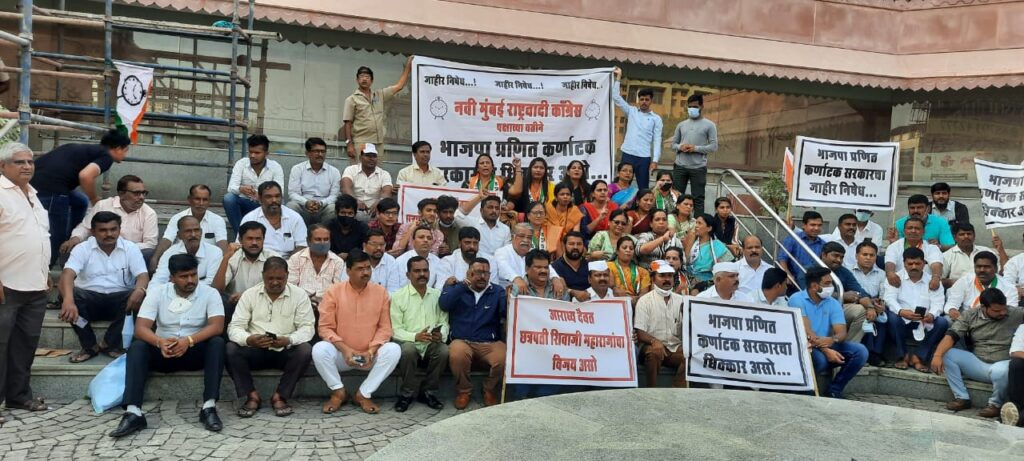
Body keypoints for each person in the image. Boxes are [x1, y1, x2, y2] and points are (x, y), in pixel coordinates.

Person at [110, 254, 225, 437]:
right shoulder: (158, 292)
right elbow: (140, 329)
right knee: (137, 347)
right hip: (164, 351)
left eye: (193, 274)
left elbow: (217, 326)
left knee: (217, 343)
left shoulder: (210, 293)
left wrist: (188, 341)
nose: (190, 280)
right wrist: (160, 342)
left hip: (194, 351)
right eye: (184, 276)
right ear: (172, 278)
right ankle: (133, 412)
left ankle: (209, 407)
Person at [0, 143, 52, 422]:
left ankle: (18, 396)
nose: (27, 166)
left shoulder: (33, 194)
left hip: (35, 285)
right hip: (6, 284)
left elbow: (39, 237)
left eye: (30, 162)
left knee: (25, 345)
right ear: (3, 166)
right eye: (19, 162)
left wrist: (44, 272)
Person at [226, 256, 315, 418]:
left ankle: (280, 396)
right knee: (230, 348)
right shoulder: (250, 294)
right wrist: (249, 339)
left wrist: (289, 340)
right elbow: (235, 327)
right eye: (270, 278)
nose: (275, 282)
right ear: (263, 276)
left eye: (280, 278)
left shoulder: (299, 295)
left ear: (287, 276)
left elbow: (307, 328)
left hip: (284, 351)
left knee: (305, 349)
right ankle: (252, 396)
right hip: (255, 350)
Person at [314, 249, 400, 415]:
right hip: (342, 355)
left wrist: (371, 351)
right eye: (360, 269)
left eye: (368, 268)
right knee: (319, 349)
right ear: (348, 271)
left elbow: (384, 329)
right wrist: (345, 349)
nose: (366, 272)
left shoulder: (380, 292)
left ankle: (364, 394)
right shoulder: (334, 291)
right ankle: (338, 392)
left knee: (394, 350)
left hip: (369, 356)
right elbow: (325, 328)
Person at [59, 212, 149, 363]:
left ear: (119, 229)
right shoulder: (82, 248)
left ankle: (109, 343)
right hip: (88, 303)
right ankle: (89, 346)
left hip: (120, 304)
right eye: (103, 230)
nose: (109, 234)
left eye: (113, 229)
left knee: (142, 295)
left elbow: (142, 275)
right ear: (93, 232)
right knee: (69, 296)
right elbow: (67, 274)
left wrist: (140, 290)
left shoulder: (130, 248)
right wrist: (68, 300)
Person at [31, 129, 130, 266]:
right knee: (56, 237)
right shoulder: (106, 157)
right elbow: (85, 176)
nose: (125, 155)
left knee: (81, 201)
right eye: (125, 150)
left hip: (34, 184)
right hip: (52, 190)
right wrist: (94, 199)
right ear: (118, 148)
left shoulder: (87, 149)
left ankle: (71, 235)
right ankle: (45, 269)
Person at [932, 288, 1022, 418]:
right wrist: (937, 355)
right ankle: (962, 398)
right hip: (978, 362)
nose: (1002, 312)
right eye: (997, 311)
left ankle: (995, 405)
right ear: (984, 307)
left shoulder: (1015, 313)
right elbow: (952, 335)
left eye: (1004, 309)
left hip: (1003, 363)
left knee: (1002, 370)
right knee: (947, 354)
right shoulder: (970, 315)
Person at [789, 266, 867, 399]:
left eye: (831, 283)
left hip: (826, 342)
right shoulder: (796, 299)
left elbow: (841, 332)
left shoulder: (833, 303)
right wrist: (826, 350)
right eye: (827, 283)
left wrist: (833, 340)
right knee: (821, 361)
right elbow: (807, 332)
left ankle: (834, 390)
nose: (831, 287)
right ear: (814, 286)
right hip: (804, 345)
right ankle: (803, 391)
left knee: (860, 351)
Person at [440, 257, 507, 409]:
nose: (482, 276)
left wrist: (509, 297)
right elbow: (443, 304)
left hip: (489, 342)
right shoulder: (458, 288)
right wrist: (461, 287)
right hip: (462, 340)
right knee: (457, 353)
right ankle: (464, 391)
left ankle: (489, 389)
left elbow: (505, 313)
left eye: (486, 273)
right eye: (478, 272)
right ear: (469, 273)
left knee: (504, 356)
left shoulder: (497, 291)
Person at [391, 256, 448, 412]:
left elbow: (444, 322)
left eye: (425, 270)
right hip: (409, 342)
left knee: (443, 350)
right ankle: (406, 394)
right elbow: (395, 330)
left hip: (431, 343)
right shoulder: (398, 297)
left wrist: (441, 334)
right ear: (408, 275)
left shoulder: (437, 295)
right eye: (417, 271)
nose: (422, 274)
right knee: (408, 350)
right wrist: (415, 336)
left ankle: (428, 392)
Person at [883, 248, 949, 373]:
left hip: (924, 322)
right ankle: (902, 355)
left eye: (917, 263)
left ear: (924, 264)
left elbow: (938, 303)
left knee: (942, 322)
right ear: (904, 263)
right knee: (892, 317)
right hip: (901, 322)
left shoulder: (933, 281)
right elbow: (889, 299)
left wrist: (931, 315)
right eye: (910, 263)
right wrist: (901, 311)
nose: (914, 267)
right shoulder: (895, 278)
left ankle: (919, 356)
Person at [64, 174, 159, 262]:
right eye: (136, 193)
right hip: (99, 252)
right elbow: (85, 227)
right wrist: (75, 238)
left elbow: (150, 244)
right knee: (70, 250)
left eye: (143, 193)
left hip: (128, 256)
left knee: (148, 254)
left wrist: (119, 248)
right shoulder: (103, 205)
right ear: (121, 194)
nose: (142, 197)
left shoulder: (149, 213)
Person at [341, 58, 412, 160]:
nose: (364, 79)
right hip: (361, 142)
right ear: (357, 80)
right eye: (361, 77)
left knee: (377, 168)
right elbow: (347, 123)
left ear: (372, 80)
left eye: (367, 77)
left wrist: (408, 67)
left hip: (378, 143)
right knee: (359, 168)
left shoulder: (379, 95)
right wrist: (349, 144)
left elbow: (399, 86)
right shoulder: (351, 99)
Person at [150, 185, 228, 272]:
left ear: (209, 201)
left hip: (208, 262)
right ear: (189, 199)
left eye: (205, 199)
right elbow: (167, 240)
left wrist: (223, 264)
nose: (201, 203)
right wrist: (155, 258)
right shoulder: (177, 218)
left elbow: (222, 244)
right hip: (181, 261)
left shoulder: (217, 220)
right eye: (197, 199)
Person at [634, 260, 685, 388]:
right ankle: (651, 392)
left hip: (674, 347)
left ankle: (677, 391)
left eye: (670, 276)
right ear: (653, 278)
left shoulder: (682, 301)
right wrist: (654, 341)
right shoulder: (644, 301)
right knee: (654, 352)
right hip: (651, 347)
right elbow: (640, 332)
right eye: (662, 276)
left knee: (691, 355)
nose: (667, 279)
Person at [611, 67, 662, 189]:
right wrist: (618, 78)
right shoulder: (631, 111)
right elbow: (616, 97)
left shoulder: (656, 119)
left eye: (647, 99)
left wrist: (655, 160)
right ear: (638, 100)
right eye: (642, 99)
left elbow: (657, 140)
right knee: (622, 184)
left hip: (644, 157)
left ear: (651, 100)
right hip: (628, 153)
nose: (644, 102)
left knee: (643, 187)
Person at [212, 222, 279, 313]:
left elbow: (278, 288)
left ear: (263, 239)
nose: (254, 243)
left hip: (265, 304)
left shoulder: (273, 258)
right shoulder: (232, 257)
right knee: (218, 300)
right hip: (235, 306)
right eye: (249, 239)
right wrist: (226, 257)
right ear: (240, 240)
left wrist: (246, 296)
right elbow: (217, 290)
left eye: (258, 239)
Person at [224, 134, 284, 234]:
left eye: (257, 153)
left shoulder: (275, 167)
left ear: (266, 153)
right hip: (244, 202)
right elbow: (231, 187)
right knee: (229, 198)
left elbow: (280, 191)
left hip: (265, 204)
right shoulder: (241, 163)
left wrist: (260, 195)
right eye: (250, 152)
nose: (252, 155)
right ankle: (240, 235)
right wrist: (241, 189)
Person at [670, 94, 717, 213]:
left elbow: (713, 146)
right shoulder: (681, 124)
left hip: (698, 167)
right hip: (680, 166)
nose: (692, 109)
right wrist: (681, 147)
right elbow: (673, 145)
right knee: (676, 197)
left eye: (695, 107)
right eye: (690, 106)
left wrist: (695, 148)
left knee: (698, 199)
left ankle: (698, 223)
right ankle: (675, 221)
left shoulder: (710, 125)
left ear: (701, 106)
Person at [820, 241, 874, 344]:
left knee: (862, 310)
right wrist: (842, 296)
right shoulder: (811, 269)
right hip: (816, 308)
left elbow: (860, 292)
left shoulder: (843, 271)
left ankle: (849, 346)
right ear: (823, 255)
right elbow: (810, 292)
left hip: (838, 308)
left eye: (841, 257)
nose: (838, 260)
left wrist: (870, 307)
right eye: (835, 256)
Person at [240, 181, 307, 259]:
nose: (274, 200)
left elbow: (302, 246)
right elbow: (241, 246)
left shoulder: (294, 217)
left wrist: (287, 263)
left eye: (277, 196)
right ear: (260, 199)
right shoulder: (250, 218)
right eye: (268, 197)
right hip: (259, 261)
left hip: (289, 262)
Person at [493, 223, 566, 295]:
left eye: (529, 237)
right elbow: (504, 267)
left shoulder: (533, 252)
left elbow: (547, 267)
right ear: (513, 237)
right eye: (521, 236)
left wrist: (555, 278)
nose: (526, 240)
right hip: (507, 293)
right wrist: (516, 279)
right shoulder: (502, 252)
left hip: (532, 293)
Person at [151, 216, 224, 287]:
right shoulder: (170, 253)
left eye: (196, 230)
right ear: (179, 235)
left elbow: (212, 283)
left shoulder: (215, 252)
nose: (193, 235)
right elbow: (158, 279)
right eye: (188, 231)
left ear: (201, 232)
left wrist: (182, 285)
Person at [944, 251, 1018, 320]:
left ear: (996, 268)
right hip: (967, 319)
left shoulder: (1008, 287)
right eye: (978, 266)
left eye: (987, 267)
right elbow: (952, 303)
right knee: (947, 319)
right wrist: (952, 310)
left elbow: (1011, 311)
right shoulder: (964, 281)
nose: (982, 270)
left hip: (995, 321)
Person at [850, 241, 889, 366]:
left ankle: (875, 353)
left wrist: (881, 305)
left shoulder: (882, 274)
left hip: (875, 303)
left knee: (883, 314)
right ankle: (868, 353)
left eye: (872, 255)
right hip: (856, 303)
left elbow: (884, 294)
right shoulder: (849, 271)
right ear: (857, 256)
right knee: (865, 313)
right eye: (864, 254)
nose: (868, 258)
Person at [286, 137, 341, 225]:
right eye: (316, 151)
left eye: (323, 151)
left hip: (324, 207)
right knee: (291, 206)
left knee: (333, 208)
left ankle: (325, 233)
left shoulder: (334, 172)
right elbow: (293, 193)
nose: (320, 154)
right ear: (307, 153)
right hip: (304, 206)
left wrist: (321, 203)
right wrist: (306, 202)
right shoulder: (297, 169)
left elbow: (335, 196)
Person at [287, 224, 345, 306]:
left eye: (326, 239)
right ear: (308, 241)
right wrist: (305, 301)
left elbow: (339, 290)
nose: (322, 243)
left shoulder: (337, 262)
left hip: (329, 306)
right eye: (318, 239)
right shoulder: (296, 259)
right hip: (300, 304)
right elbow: (291, 287)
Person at [884, 217, 943, 291]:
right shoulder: (894, 246)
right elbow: (889, 263)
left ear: (923, 231)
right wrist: (890, 273)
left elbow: (936, 264)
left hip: (926, 286)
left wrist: (936, 277)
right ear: (904, 231)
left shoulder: (932, 248)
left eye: (917, 228)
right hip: (899, 285)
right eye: (910, 228)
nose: (913, 231)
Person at [342, 143, 394, 222]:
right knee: (356, 215)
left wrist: (380, 201)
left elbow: (387, 192)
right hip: (353, 207)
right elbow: (345, 188)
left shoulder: (384, 174)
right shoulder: (351, 170)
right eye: (368, 156)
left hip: (375, 209)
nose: (372, 159)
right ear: (360, 158)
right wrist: (355, 201)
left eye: (374, 156)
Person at [777, 211, 828, 289]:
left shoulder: (823, 244)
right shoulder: (793, 239)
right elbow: (782, 258)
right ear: (804, 225)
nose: (816, 228)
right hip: (794, 283)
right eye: (813, 225)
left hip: (815, 284)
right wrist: (787, 274)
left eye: (819, 225)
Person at [455, 191, 511, 256]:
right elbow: (457, 216)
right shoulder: (473, 223)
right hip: (476, 261)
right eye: (490, 207)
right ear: (481, 210)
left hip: (498, 261)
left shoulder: (505, 229)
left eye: (497, 208)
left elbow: (506, 252)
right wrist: (479, 197)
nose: (494, 211)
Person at [942, 222, 996, 288]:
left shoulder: (986, 251)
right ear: (955, 237)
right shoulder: (947, 256)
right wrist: (954, 283)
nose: (966, 237)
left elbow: (1000, 272)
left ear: (974, 236)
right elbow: (939, 280)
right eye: (962, 234)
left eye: (969, 234)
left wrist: (1000, 249)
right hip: (959, 291)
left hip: (986, 290)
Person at [687, 213, 731, 287]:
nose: (696, 226)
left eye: (699, 223)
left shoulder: (717, 245)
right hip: (688, 281)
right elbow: (684, 262)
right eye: (696, 223)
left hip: (708, 284)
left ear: (709, 228)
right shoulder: (690, 242)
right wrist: (689, 241)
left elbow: (728, 268)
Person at [608, 236, 650, 306]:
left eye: (631, 248)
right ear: (617, 251)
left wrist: (630, 300)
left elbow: (644, 296)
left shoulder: (643, 272)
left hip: (637, 305)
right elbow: (612, 289)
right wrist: (628, 299)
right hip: (614, 304)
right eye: (624, 248)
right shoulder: (608, 266)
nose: (628, 250)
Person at [326, 194, 368, 259]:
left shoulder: (363, 228)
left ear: (355, 214)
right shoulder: (327, 227)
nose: (346, 216)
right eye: (343, 213)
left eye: (350, 213)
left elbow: (365, 250)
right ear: (336, 213)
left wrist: (350, 256)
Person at [553, 232, 590, 299]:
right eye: (571, 244)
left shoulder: (590, 264)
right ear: (564, 246)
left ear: (583, 246)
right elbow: (561, 288)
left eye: (579, 244)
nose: (575, 247)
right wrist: (572, 292)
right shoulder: (556, 266)